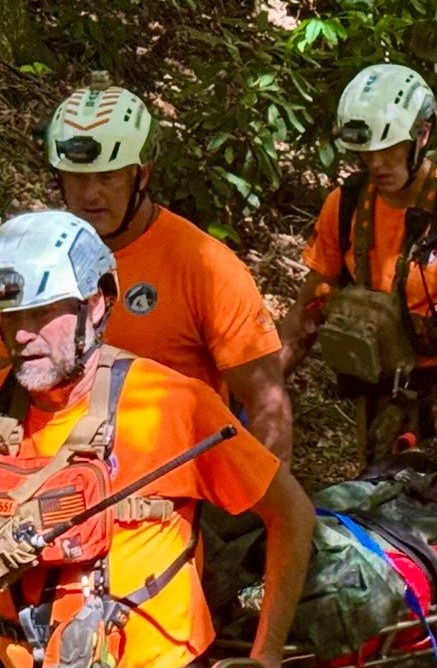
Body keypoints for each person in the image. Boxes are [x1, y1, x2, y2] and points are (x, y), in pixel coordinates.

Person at [0, 211, 314, 668]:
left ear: (95, 304)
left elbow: (291, 514)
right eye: (10, 315)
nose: (22, 334)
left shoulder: (173, 403)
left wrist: (266, 654)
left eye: (43, 312)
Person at [39, 76, 293, 463]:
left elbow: (266, 402)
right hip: (53, 481)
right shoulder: (38, 259)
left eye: (107, 177)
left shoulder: (204, 267)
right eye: (76, 178)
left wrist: (261, 512)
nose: (90, 194)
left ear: (141, 174)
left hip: (171, 492)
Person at [278, 63, 437, 457]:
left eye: (389, 150)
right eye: (367, 152)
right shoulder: (346, 205)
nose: (376, 164)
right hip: (378, 397)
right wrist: (260, 393)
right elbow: (303, 317)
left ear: (422, 135)